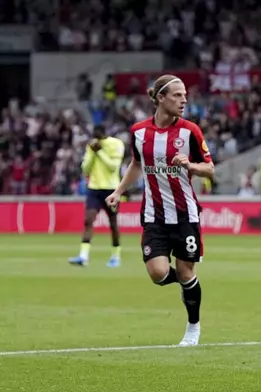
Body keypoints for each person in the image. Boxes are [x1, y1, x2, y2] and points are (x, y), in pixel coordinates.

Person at [105, 74, 215, 346]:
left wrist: (190, 166)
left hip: (184, 215)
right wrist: (119, 191)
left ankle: (193, 327)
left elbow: (210, 169)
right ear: (160, 98)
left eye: (185, 95)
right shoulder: (139, 132)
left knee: (186, 272)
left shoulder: (190, 131)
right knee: (157, 274)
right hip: (154, 214)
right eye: (178, 95)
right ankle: (190, 285)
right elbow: (136, 164)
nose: (184, 100)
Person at [69, 124, 125, 268]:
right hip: (94, 188)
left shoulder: (116, 144)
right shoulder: (92, 145)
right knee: (88, 221)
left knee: (113, 223)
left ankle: (115, 256)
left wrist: (99, 152)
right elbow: (85, 169)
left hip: (112, 189)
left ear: (105, 134)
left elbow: (113, 167)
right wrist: (93, 153)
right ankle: (83, 256)